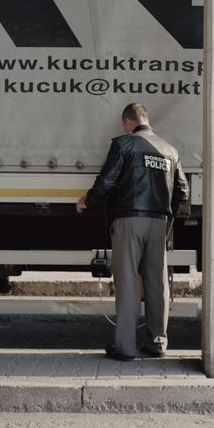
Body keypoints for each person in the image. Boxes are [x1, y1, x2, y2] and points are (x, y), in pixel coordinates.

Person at [76, 102, 189, 361]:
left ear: (128, 122)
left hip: (129, 220)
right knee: (157, 284)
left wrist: (87, 201)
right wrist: (165, 219)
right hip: (159, 223)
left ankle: (125, 348)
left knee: (127, 283)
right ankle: (157, 343)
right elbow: (183, 193)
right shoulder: (170, 151)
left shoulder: (123, 145)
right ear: (146, 120)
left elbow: (106, 182)